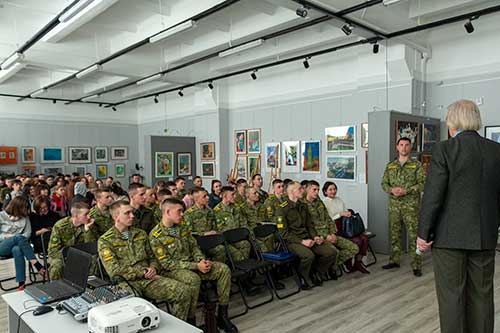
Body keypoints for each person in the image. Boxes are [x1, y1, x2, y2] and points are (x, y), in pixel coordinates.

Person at [417, 100, 500, 333]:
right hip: (484, 236)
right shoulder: (496, 150)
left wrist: (423, 234)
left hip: (448, 238)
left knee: (452, 299)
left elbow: (433, 196)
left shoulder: (445, 149)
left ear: (453, 121)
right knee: (482, 298)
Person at [149, 198, 238, 332]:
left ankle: (222, 316)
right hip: (173, 271)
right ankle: (191, 322)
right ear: (167, 212)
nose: (182, 214)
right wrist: (196, 266)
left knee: (223, 269)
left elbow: (194, 247)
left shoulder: (182, 227)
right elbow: (167, 264)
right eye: (179, 211)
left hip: (193, 265)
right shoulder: (156, 235)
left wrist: (201, 260)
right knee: (192, 279)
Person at [98, 200, 191, 321]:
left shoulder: (141, 234)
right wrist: (143, 271)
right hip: (125, 283)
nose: (132, 216)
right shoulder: (105, 240)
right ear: (116, 217)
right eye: (127, 213)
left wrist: (153, 268)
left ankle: (176, 326)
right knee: (134, 307)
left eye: (132, 212)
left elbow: (153, 257)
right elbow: (114, 270)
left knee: (183, 291)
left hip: (148, 279)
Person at [381, 137, 426, 276]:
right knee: (394, 234)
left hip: (411, 206)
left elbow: (423, 184)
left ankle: (416, 265)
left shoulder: (416, 165)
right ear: (397, 147)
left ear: (410, 147)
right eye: (401, 145)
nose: (404, 147)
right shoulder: (391, 165)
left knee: (413, 236)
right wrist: (391, 190)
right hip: (394, 206)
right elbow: (384, 183)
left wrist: (407, 190)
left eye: (407, 145)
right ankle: (394, 260)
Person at [281, 182, 337, 289]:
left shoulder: (303, 206)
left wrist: (315, 236)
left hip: (308, 238)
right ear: (292, 192)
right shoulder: (282, 208)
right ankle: (302, 275)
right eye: (300, 189)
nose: (303, 190)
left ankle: (315, 271)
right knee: (308, 255)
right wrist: (302, 242)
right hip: (293, 241)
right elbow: (284, 233)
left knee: (331, 252)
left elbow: (309, 225)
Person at [304, 181, 360, 275]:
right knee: (335, 252)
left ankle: (331, 266)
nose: (317, 192)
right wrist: (325, 236)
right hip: (319, 237)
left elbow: (329, 219)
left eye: (318, 189)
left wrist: (333, 233)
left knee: (354, 248)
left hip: (330, 234)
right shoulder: (303, 205)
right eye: (314, 190)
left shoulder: (319, 202)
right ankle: (323, 270)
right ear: (307, 190)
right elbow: (309, 226)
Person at [322, 181, 370, 274]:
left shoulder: (339, 199)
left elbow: (345, 210)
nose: (333, 191)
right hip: (335, 230)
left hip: (345, 227)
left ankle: (358, 262)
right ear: (325, 192)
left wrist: (347, 213)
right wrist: (340, 214)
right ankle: (347, 263)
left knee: (364, 239)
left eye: (334, 189)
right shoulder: (324, 203)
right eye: (330, 189)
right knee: (357, 241)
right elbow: (328, 219)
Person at [0, 197, 47, 290]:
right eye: (24, 208)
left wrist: (16, 238)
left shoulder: (25, 218)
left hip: (19, 245)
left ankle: (21, 283)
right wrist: (7, 237)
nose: (26, 210)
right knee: (17, 237)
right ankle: (37, 264)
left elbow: (28, 234)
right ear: (17, 207)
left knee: (17, 249)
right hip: (2, 246)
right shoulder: (1, 216)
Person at [47, 201, 99, 280]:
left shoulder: (90, 224)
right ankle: (57, 288)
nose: (89, 217)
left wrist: (87, 230)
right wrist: (70, 257)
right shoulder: (60, 226)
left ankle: (90, 286)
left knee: (94, 259)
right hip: (64, 257)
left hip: (82, 255)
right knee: (56, 265)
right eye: (85, 214)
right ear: (76, 216)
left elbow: (92, 248)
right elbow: (52, 251)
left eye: (89, 214)